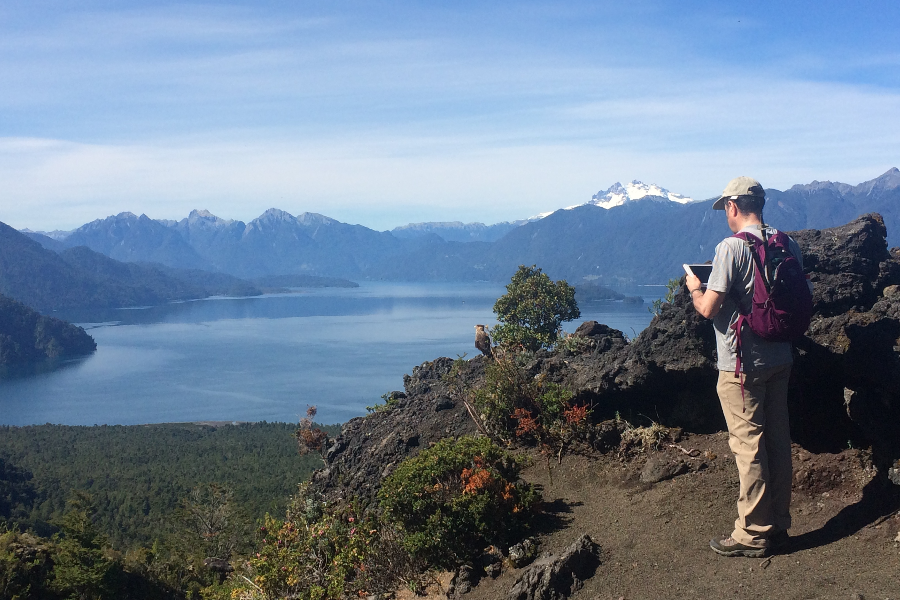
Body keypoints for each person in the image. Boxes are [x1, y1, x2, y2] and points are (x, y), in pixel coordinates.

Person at [685, 176, 802, 558]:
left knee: (748, 445)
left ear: (733, 207)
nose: (726, 216)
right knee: (777, 441)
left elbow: (707, 309)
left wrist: (693, 286)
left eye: (726, 210)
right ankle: (779, 525)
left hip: (741, 364)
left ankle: (752, 533)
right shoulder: (789, 244)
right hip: (781, 356)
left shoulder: (731, 248)